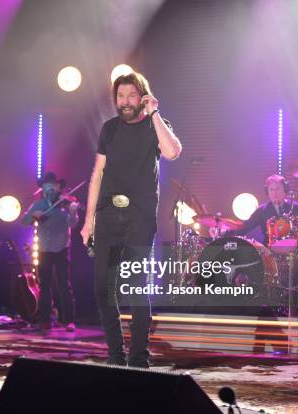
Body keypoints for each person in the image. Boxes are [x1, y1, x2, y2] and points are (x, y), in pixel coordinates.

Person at [80, 72, 182, 367]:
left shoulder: (155, 125)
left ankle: (139, 358)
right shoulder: (109, 129)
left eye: (131, 96)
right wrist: (89, 220)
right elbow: (97, 174)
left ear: (143, 98)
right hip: (108, 216)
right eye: (120, 96)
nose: (125, 102)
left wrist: (155, 114)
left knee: (136, 286)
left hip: (140, 216)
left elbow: (173, 151)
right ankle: (115, 355)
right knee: (103, 287)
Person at [21, 172, 79, 332]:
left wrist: (74, 212)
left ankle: (69, 320)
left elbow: (73, 225)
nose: (50, 188)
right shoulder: (38, 205)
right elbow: (23, 222)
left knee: (63, 285)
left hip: (62, 248)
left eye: (52, 185)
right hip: (44, 249)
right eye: (46, 186)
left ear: (58, 187)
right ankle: (44, 320)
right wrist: (33, 216)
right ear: (42, 189)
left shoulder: (66, 203)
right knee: (44, 286)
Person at [229, 174, 298, 244]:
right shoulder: (262, 210)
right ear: (267, 192)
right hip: (269, 251)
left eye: (277, 189)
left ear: (285, 190)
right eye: (271, 189)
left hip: (293, 250)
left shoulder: (296, 208)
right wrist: (227, 233)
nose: (274, 193)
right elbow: (246, 227)